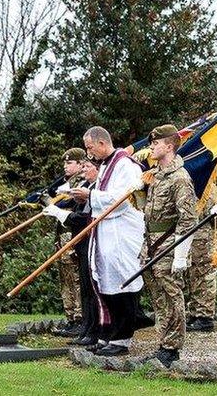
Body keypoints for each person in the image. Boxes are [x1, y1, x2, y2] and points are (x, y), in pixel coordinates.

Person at [70, 126, 152, 357]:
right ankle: (109, 333)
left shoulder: (126, 165)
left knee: (122, 282)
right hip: (105, 234)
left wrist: (91, 196)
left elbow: (124, 199)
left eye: (90, 147)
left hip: (122, 234)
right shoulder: (106, 165)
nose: (88, 153)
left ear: (102, 143)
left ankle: (123, 338)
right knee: (106, 282)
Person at [140, 124, 198, 367]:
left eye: (156, 143)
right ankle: (163, 343)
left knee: (172, 297)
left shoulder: (180, 178)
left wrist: (180, 255)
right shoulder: (157, 175)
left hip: (169, 247)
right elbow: (151, 214)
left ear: (170, 145)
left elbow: (188, 219)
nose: (151, 147)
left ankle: (172, 348)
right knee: (159, 298)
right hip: (152, 245)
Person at [44, 157, 100, 346]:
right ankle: (86, 327)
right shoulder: (86, 188)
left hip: (90, 242)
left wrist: (60, 213)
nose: (84, 171)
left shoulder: (95, 191)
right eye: (82, 167)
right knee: (84, 289)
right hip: (81, 243)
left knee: (90, 290)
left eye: (87, 167)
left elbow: (83, 218)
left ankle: (93, 330)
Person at [48, 148, 86, 338]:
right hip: (61, 236)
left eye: (69, 163)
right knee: (66, 280)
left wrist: (48, 202)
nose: (65, 166)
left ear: (81, 164)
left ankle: (80, 318)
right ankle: (70, 317)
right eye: (65, 163)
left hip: (72, 237)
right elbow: (52, 192)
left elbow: (65, 203)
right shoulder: (65, 184)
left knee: (76, 278)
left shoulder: (81, 183)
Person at [185, 182, 217, 332]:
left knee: (204, 277)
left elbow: (216, 215)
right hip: (191, 236)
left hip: (204, 237)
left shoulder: (209, 187)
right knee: (193, 277)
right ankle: (195, 313)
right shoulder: (189, 184)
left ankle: (205, 317)